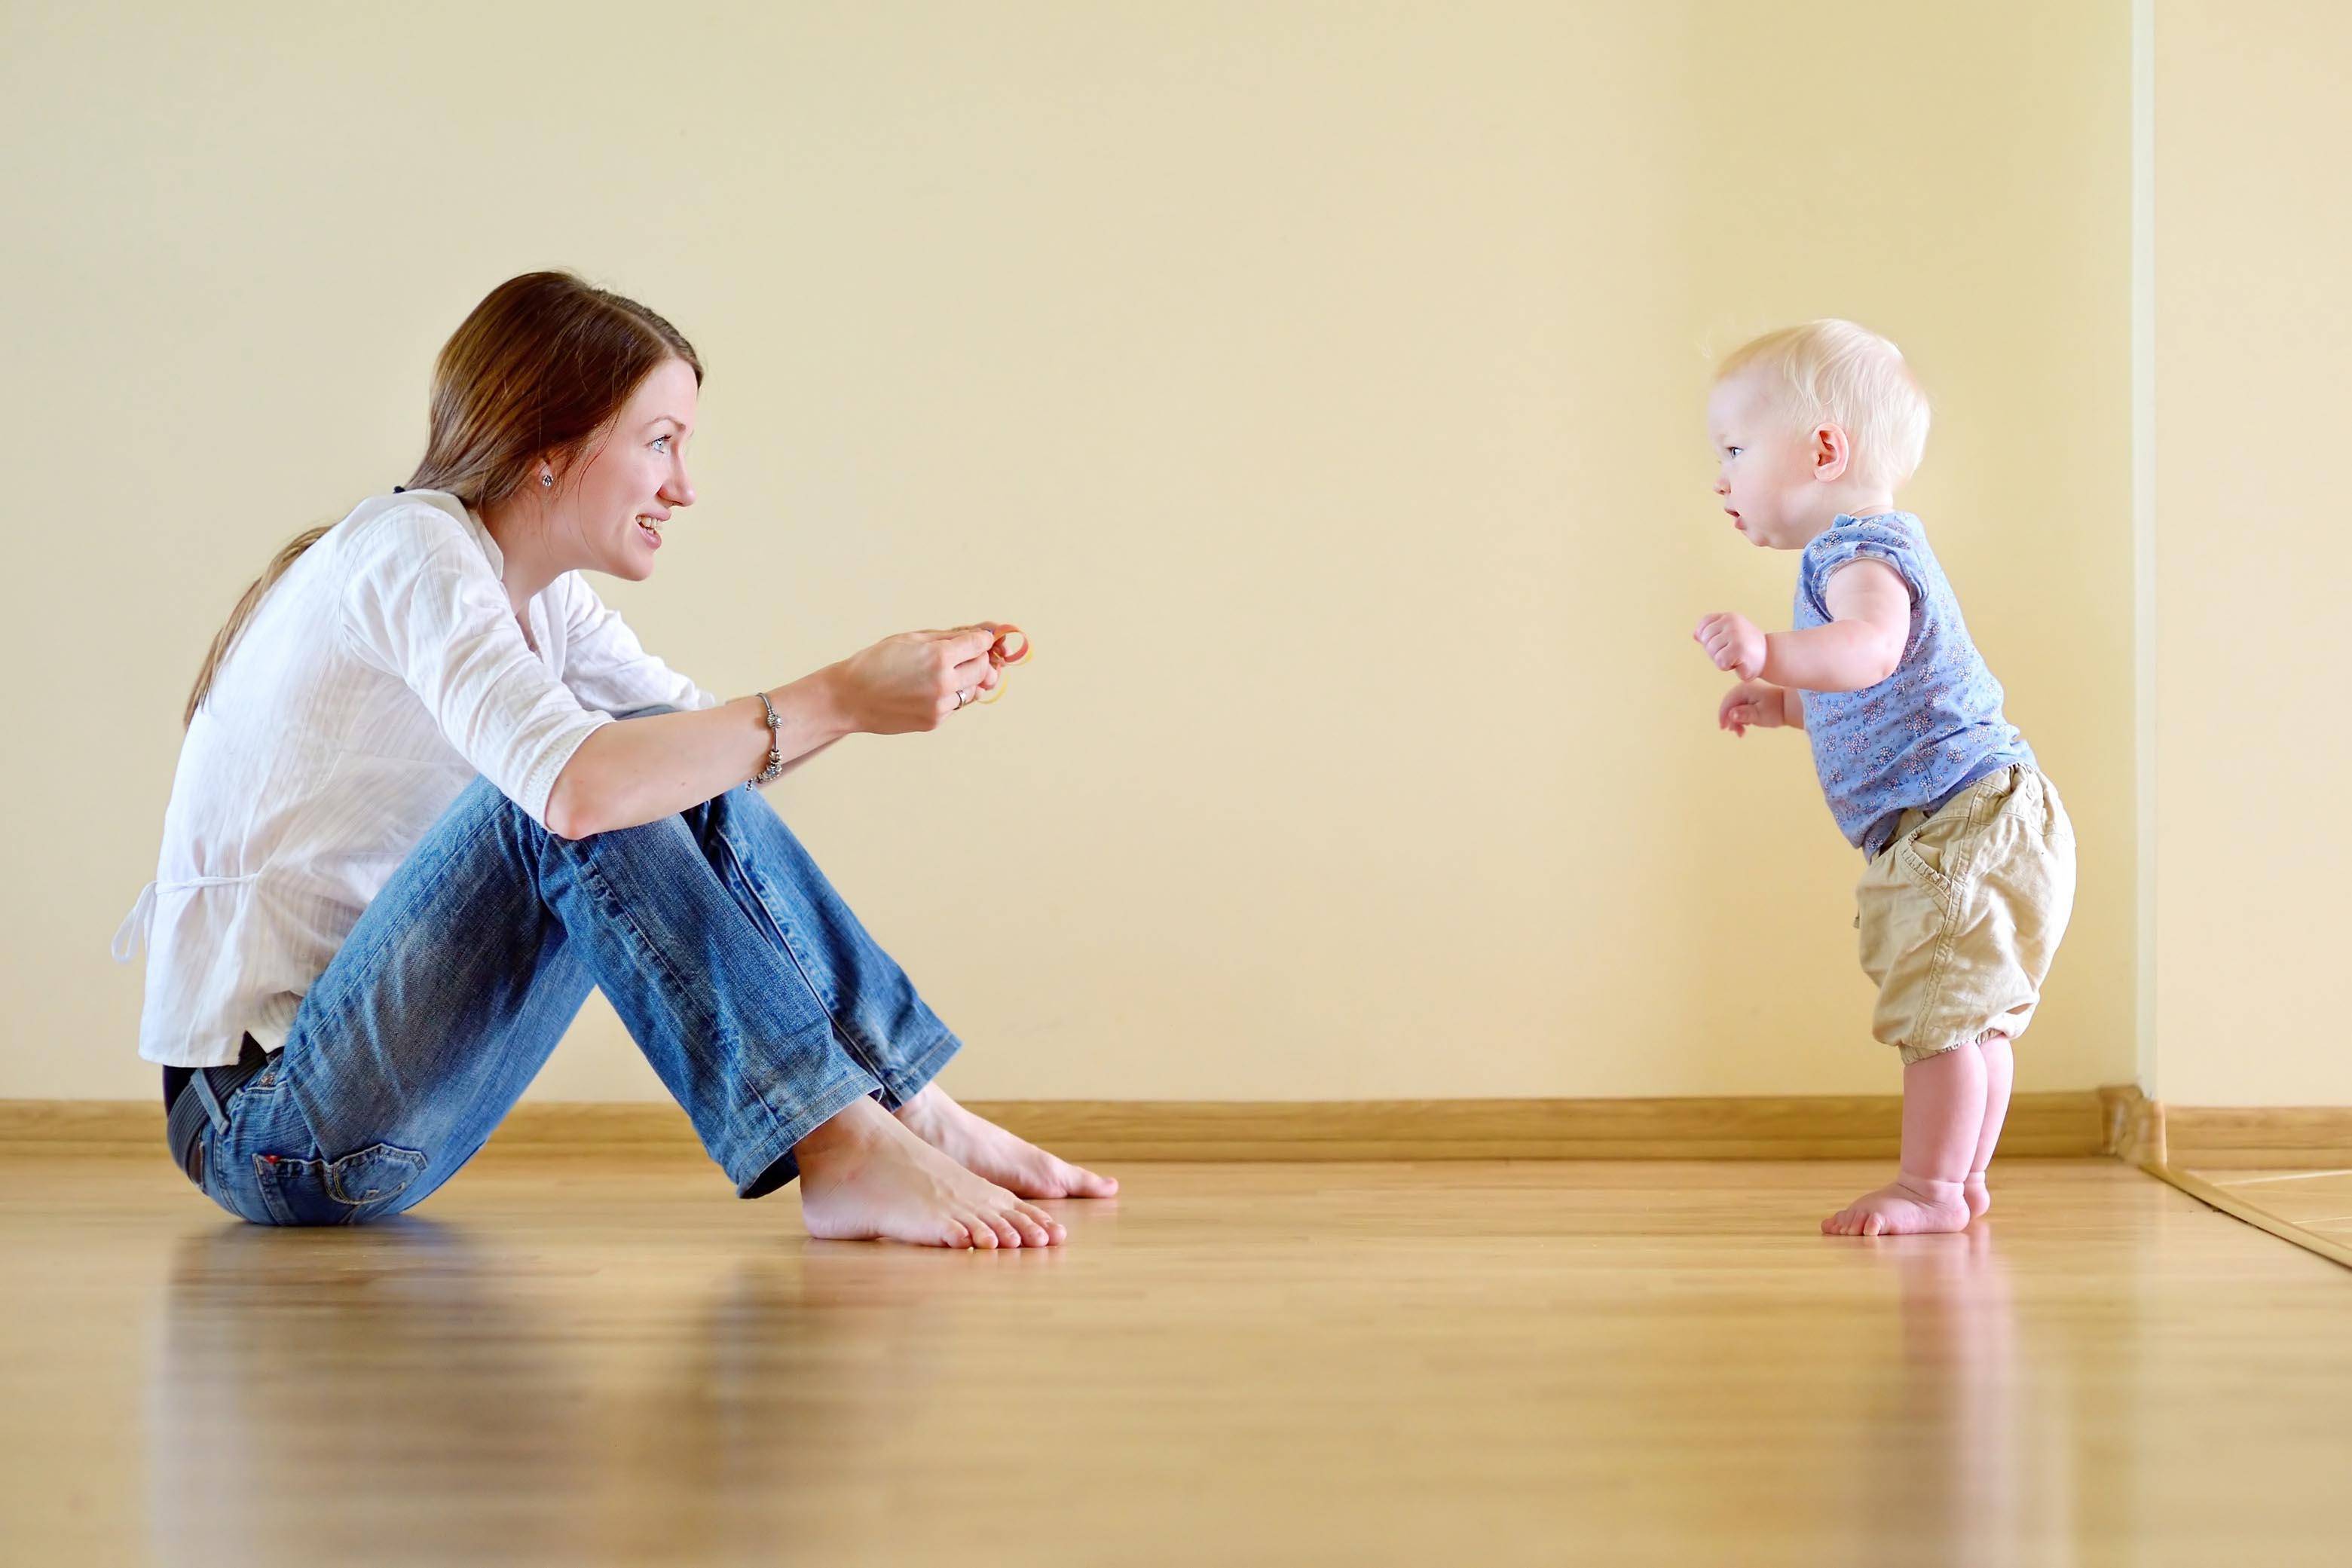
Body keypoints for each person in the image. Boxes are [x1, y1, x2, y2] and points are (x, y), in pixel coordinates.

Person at [115, 271, 1114, 1248]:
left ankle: (904, 1104)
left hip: (375, 1111)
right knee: (560, 795)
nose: (683, 487)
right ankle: (841, 1142)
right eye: (660, 443)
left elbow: (714, 757)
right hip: (271, 1126)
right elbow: (579, 788)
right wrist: (841, 693)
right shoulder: (408, 547)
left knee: (658, 759)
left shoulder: (542, 598)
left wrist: (879, 693)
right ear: (550, 445)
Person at [1691, 319, 2075, 1236]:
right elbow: (1874, 687)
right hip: (1989, 809)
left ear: (1824, 449)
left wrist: (1771, 650)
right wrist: (1786, 702)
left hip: (1955, 819)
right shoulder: (1869, 550)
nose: (1721, 476)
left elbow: (1869, 651)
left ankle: (1931, 1187)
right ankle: (1962, 1177)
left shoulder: (1857, 554)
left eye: (1735, 449)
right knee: (1973, 1017)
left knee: (1938, 1014)